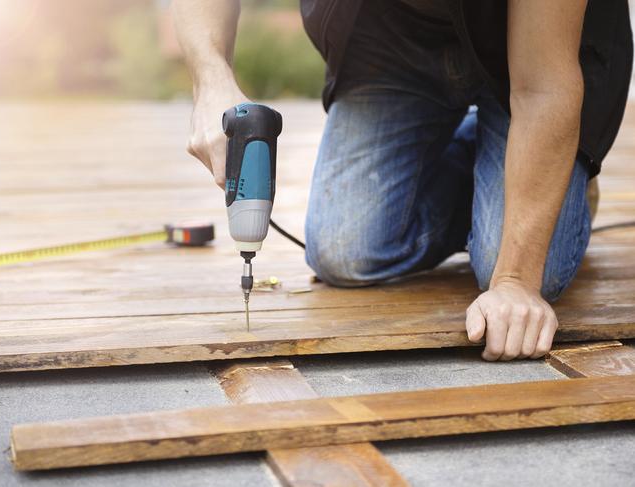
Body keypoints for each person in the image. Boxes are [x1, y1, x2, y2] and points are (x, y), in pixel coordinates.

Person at [172, 0, 632, 361]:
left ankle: (557, 166)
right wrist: (211, 79)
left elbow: (543, 88)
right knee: (343, 251)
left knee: (531, 271)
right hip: (390, 38)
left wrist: (514, 281)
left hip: (540, 50)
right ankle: (510, 163)